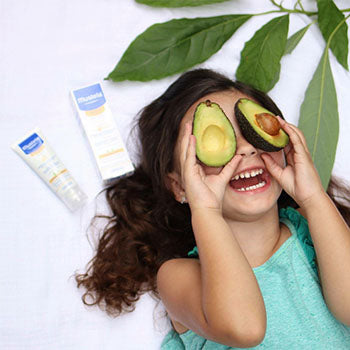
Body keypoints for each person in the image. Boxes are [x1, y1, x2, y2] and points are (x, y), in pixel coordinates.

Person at [76, 68, 350, 349]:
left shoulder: (314, 229)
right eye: (214, 140)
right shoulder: (179, 276)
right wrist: (205, 209)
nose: (245, 149)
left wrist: (314, 197)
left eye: (255, 130)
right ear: (180, 185)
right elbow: (245, 328)